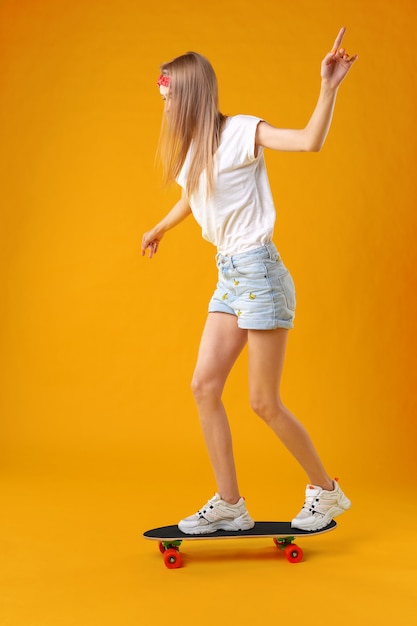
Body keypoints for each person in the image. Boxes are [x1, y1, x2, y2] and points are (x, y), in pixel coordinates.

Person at [141, 28, 357, 534]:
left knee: (263, 402)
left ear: (189, 96)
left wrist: (328, 88)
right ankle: (230, 504)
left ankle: (326, 491)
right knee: (204, 386)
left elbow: (309, 142)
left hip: (259, 271)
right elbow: (193, 196)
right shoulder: (193, 154)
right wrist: (160, 228)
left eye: (168, 98)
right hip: (230, 276)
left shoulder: (241, 131)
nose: (165, 108)